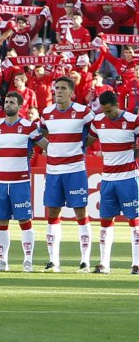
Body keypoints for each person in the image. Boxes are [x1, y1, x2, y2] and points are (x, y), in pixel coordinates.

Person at [40, 76, 96, 273]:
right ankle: (53, 261)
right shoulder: (46, 113)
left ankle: (85, 261)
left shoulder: (83, 112)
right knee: (53, 213)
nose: (59, 91)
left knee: (81, 212)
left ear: (71, 93)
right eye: (56, 88)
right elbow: (42, 134)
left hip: (75, 170)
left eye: (63, 88)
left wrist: (81, 146)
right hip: (53, 171)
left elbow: (96, 130)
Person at [0, 91, 46, 272]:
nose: (8, 105)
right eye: (6, 102)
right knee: (1, 222)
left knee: (24, 221)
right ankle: (2, 262)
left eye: (12, 102)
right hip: (1, 182)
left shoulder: (29, 126)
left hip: (20, 182)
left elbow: (46, 145)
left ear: (20, 106)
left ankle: (28, 261)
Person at [86, 91, 139, 274]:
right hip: (107, 179)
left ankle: (136, 264)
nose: (107, 114)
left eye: (109, 111)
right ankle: (104, 264)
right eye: (104, 111)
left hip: (128, 178)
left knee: (134, 221)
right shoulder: (97, 121)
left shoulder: (133, 120)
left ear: (117, 105)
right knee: (105, 221)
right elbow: (87, 141)